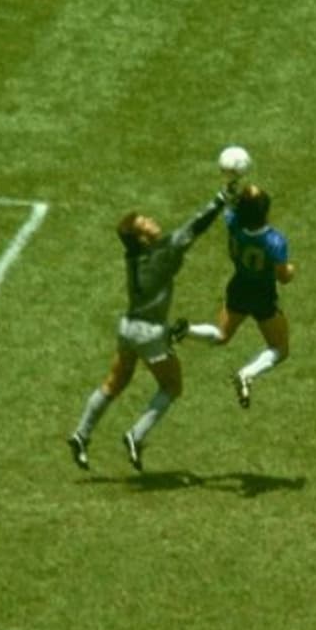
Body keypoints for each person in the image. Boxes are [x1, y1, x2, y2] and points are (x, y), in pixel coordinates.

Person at [66, 189, 228, 471]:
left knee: (115, 382)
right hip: (149, 333)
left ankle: (81, 434)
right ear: (142, 238)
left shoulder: (133, 256)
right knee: (171, 386)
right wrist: (220, 201)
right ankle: (136, 435)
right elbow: (193, 228)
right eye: (145, 223)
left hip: (127, 327)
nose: (152, 220)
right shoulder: (163, 256)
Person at [176, 184, 295, 408]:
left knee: (221, 335)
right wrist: (290, 269)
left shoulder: (233, 223)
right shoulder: (275, 242)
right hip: (263, 295)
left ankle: (187, 330)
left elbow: (230, 207)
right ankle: (247, 373)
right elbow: (283, 277)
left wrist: (231, 186)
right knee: (280, 348)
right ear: (265, 211)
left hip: (238, 286)